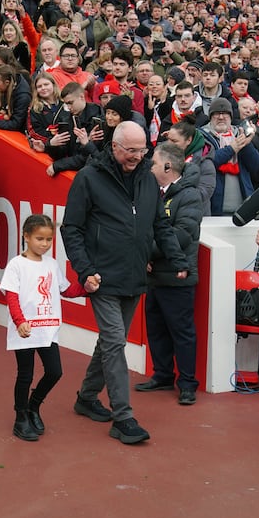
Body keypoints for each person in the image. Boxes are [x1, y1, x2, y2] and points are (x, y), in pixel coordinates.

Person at [61, 121, 189, 445]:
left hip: (134, 277)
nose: (137, 156)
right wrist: (84, 269)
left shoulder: (147, 180)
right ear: (115, 146)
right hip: (100, 277)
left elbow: (160, 224)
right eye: (130, 150)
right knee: (116, 341)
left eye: (142, 150)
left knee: (108, 342)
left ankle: (87, 397)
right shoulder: (88, 178)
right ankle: (123, 417)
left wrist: (177, 260)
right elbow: (71, 229)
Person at [0, 214, 93, 441]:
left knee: (54, 371)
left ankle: (34, 406)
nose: (44, 244)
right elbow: (11, 297)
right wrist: (20, 321)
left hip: (48, 329)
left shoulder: (51, 264)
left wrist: (86, 288)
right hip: (26, 331)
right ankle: (20, 417)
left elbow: (66, 290)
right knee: (25, 374)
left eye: (48, 239)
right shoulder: (16, 265)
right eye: (39, 238)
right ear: (26, 236)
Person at [134, 143, 203, 405]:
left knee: (181, 331)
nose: (149, 167)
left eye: (153, 163)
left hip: (177, 277)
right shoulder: (152, 194)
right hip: (155, 277)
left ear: (167, 166)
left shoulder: (190, 196)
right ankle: (162, 374)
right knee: (157, 329)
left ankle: (187, 384)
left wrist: (148, 254)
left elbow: (182, 235)